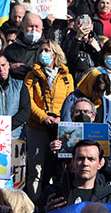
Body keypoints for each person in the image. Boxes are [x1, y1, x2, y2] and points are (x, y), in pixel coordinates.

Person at [23, 40, 73, 204]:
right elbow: (28, 101)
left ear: (55, 53)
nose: (43, 53)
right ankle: (34, 203)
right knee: (36, 169)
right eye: (41, 50)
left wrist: (61, 117)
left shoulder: (67, 77)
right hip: (37, 127)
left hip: (60, 128)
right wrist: (43, 117)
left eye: (47, 50)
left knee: (60, 168)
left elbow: (70, 99)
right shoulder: (32, 76)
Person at [45, 140, 111, 210]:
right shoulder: (54, 193)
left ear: (100, 163)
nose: (85, 163)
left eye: (91, 159)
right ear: (72, 163)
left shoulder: (110, 197)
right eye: (80, 158)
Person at [4, 13, 45, 78]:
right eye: (31, 26)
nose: (34, 30)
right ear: (22, 28)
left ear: (42, 29)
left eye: (36, 26)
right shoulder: (11, 49)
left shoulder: (47, 48)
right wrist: (10, 67)